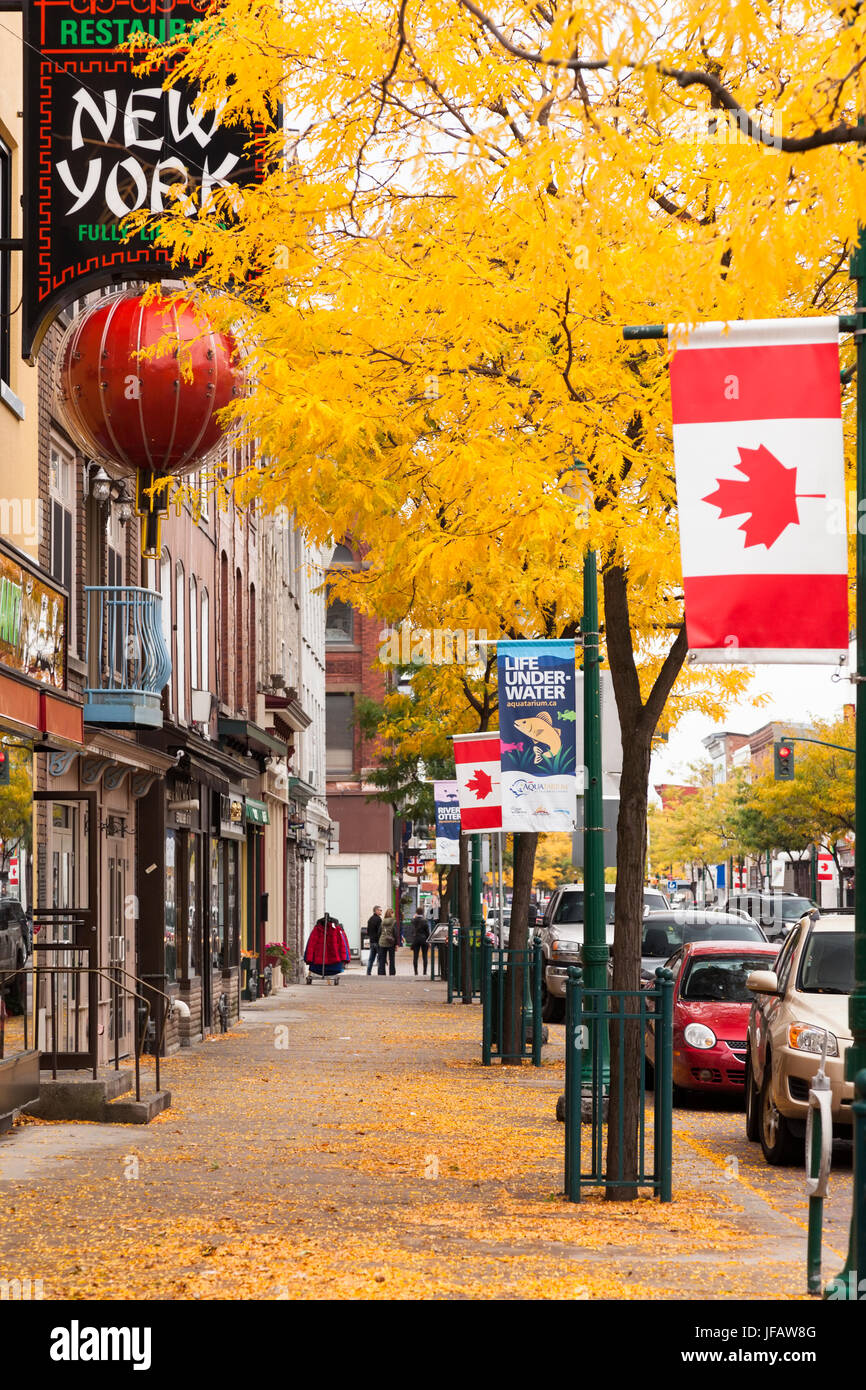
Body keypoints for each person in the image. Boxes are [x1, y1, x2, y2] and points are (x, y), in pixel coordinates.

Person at [304, 913, 351, 982]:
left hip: (318, 964)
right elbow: (342, 945)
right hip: (333, 962)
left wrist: (308, 959)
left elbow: (342, 945)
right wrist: (345, 958)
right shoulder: (318, 929)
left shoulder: (336, 930)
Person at [377, 908, 397, 976]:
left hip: (382, 942)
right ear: (391, 914)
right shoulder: (394, 922)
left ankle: (381, 973)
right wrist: (396, 943)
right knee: (392, 959)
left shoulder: (382, 922)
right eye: (393, 913)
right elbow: (395, 933)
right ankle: (392, 973)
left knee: (382, 959)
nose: (393, 914)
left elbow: (379, 932)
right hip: (391, 942)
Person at [410, 908, 430, 976]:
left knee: (415, 956)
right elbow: (427, 932)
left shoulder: (413, 920)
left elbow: (412, 931)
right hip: (424, 939)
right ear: (423, 912)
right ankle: (424, 972)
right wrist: (428, 940)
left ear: (416, 912)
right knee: (425, 956)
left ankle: (416, 972)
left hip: (416, 939)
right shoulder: (425, 921)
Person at [366, 905, 382, 975]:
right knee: (380, 958)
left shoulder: (370, 919)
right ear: (376, 911)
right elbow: (380, 931)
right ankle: (379, 972)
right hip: (377, 942)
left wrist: (371, 937)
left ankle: (368, 972)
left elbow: (368, 931)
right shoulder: (379, 919)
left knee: (371, 959)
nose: (381, 911)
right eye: (380, 910)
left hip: (372, 941)